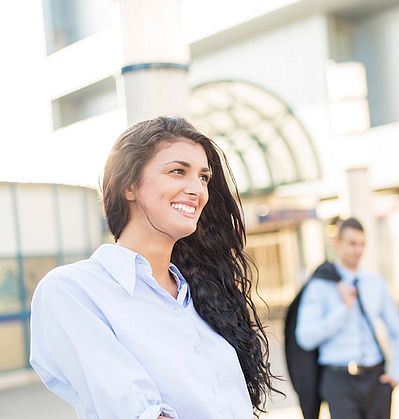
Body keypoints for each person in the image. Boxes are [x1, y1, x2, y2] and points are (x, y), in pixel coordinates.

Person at [30, 116, 278, 418]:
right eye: (177, 172)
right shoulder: (73, 291)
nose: (197, 190)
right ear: (128, 186)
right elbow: (138, 411)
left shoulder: (200, 297)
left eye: (203, 177)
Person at [295, 217, 399, 419]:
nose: (358, 250)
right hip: (339, 380)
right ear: (337, 243)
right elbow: (305, 337)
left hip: (376, 378)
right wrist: (343, 309)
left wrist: (398, 371)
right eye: (352, 243)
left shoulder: (375, 282)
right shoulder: (319, 286)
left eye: (362, 244)